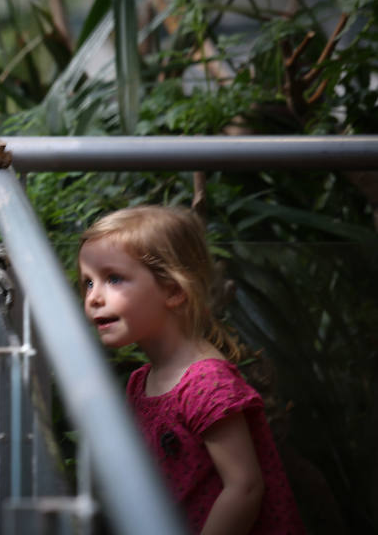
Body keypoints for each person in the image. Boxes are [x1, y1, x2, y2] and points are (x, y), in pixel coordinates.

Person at [77, 205, 304, 534]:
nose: (94, 297)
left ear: (172, 290)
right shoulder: (142, 382)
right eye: (88, 283)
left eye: (113, 279)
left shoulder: (206, 383)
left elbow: (244, 488)